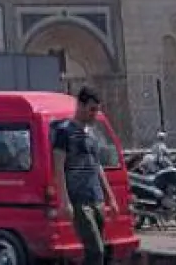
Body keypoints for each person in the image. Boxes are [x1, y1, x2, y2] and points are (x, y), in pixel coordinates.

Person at [53, 86, 117, 265]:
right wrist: (64, 201)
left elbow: (98, 167)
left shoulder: (93, 135)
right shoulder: (64, 132)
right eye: (91, 109)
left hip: (96, 198)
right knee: (95, 250)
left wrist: (110, 197)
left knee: (101, 250)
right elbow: (58, 167)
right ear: (80, 105)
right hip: (79, 201)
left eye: (97, 110)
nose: (94, 114)